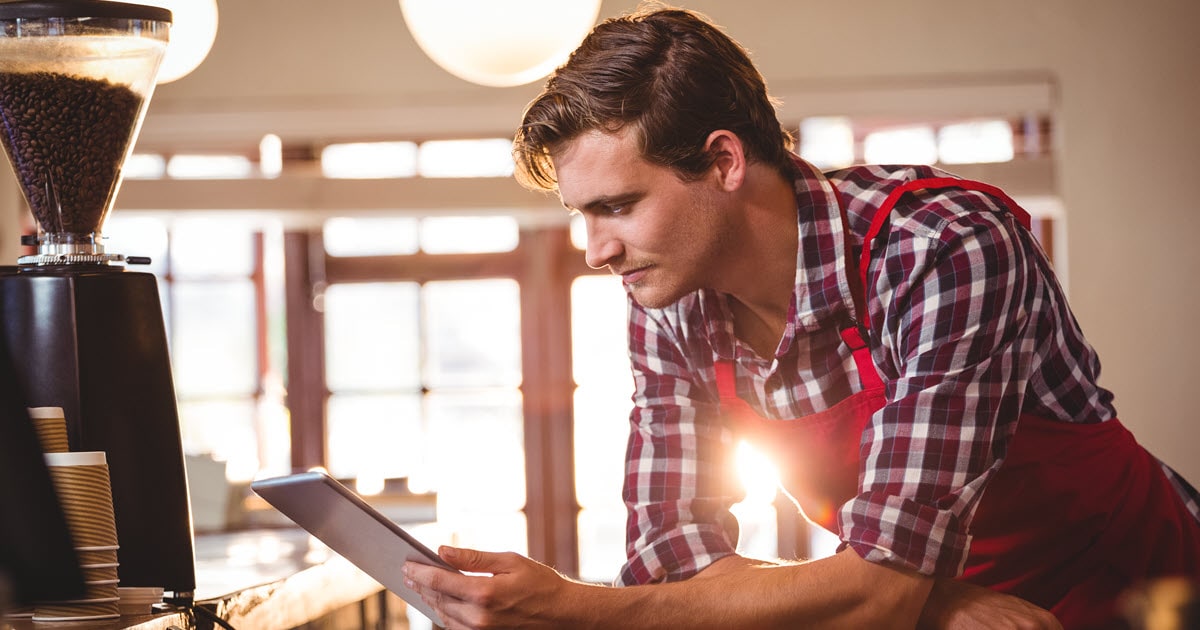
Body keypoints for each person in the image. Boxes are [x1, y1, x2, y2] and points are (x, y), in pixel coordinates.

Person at [403, 6, 1200, 629]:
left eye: (617, 206)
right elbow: (673, 561)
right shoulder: (669, 298)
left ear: (723, 161)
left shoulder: (941, 248)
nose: (595, 251)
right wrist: (935, 602)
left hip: (1146, 591)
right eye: (582, 215)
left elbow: (874, 595)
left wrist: (577, 609)